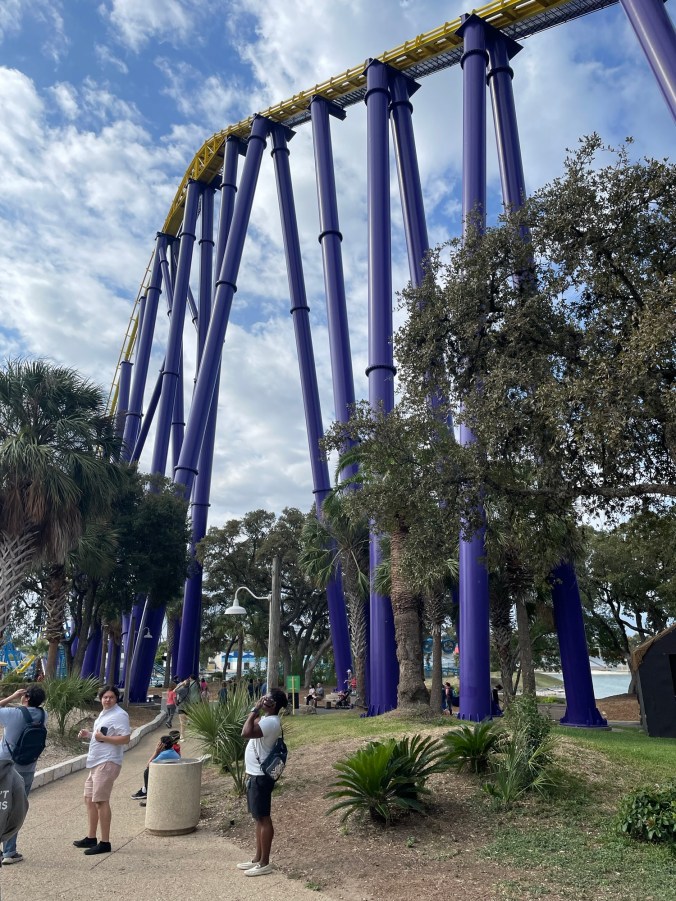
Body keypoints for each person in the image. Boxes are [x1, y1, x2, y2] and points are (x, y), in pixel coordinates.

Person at [73, 685, 131, 856]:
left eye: (111, 697)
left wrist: (103, 737)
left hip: (107, 762)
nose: (107, 700)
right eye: (105, 697)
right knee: (89, 799)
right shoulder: (105, 714)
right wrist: (89, 735)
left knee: (100, 801)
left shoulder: (120, 715)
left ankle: (105, 842)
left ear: (116, 699)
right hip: (96, 761)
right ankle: (91, 837)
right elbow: (101, 736)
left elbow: (125, 738)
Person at [237, 688, 288, 877]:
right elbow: (253, 722)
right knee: (258, 818)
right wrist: (259, 709)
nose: (263, 700)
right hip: (255, 775)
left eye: (267, 699)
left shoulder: (272, 722)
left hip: (260, 777)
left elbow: (246, 731)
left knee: (264, 818)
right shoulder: (267, 720)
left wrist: (256, 708)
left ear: (274, 704)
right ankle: (257, 859)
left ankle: (265, 862)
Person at [0, 685, 47, 864]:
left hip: (5, 767)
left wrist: (11, 696)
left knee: (1, 805)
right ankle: (10, 852)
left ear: (25, 697)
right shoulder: (44, 715)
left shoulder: (14, 714)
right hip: (27, 768)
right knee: (16, 808)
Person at [131, 734, 180, 806]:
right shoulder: (173, 752)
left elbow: (148, 765)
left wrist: (156, 752)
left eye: (159, 743)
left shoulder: (164, 754)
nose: (157, 744)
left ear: (162, 745)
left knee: (147, 772)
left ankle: (148, 795)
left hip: (165, 778)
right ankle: (144, 790)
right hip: (172, 776)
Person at [176, 674, 200, 740]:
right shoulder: (197, 683)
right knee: (193, 714)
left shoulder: (183, 689)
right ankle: (192, 724)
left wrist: (181, 685)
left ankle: (182, 736)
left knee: (182, 722)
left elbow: (174, 691)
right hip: (193, 701)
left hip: (182, 706)